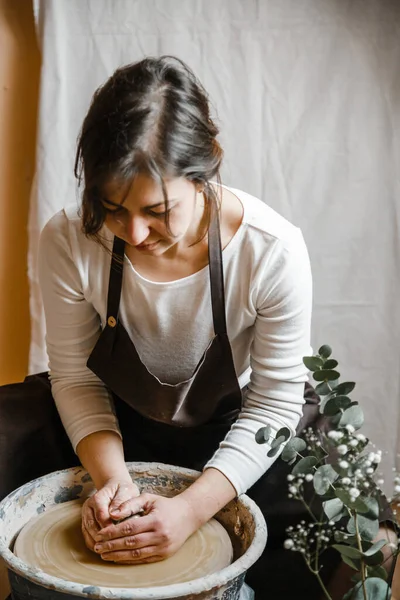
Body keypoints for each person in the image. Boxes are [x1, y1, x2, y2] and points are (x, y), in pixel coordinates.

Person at [35, 55, 395, 599]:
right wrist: (114, 483)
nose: (133, 232)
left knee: (339, 546)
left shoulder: (271, 250)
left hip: (245, 431)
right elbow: (77, 378)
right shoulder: (67, 240)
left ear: (204, 174)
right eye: (111, 208)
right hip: (119, 433)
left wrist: (188, 511)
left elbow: (275, 405)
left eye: (157, 210)